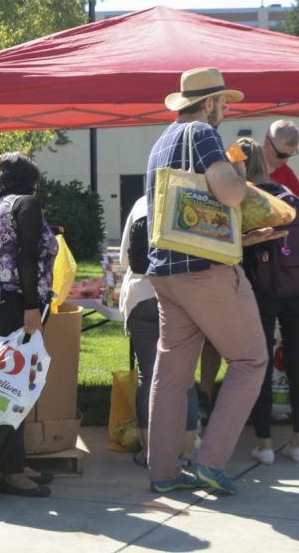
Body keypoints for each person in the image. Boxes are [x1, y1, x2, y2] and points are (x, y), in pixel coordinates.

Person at [144, 67, 277, 496]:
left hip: (165, 272)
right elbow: (231, 195)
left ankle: (163, 473)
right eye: (224, 102)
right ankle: (211, 462)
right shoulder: (202, 133)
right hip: (206, 270)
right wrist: (240, 175)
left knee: (170, 377)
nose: (227, 109)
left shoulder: (160, 142)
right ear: (207, 104)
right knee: (252, 359)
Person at [0, 152, 58, 498]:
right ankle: (11, 472)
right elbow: (26, 255)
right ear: (29, 181)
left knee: (9, 385)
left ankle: (16, 461)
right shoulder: (27, 204)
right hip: (17, 304)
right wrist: (30, 307)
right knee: (17, 387)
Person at [237, 137, 299, 464]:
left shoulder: (248, 202)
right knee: (297, 361)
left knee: (261, 364)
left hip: (265, 292)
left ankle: (265, 444)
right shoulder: (291, 198)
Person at [118, 195, 198, 469]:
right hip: (183, 295)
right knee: (184, 376)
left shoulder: (141, 202)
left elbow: (125, 258)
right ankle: (186, 452)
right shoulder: (192, 199)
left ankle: (149, 452)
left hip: (142, 295)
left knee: (148, 375)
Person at [263, 120, 299, 197]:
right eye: (281, 155)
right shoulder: (242, 161)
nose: (286, 161)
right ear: (267, 142)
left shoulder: (291, 181)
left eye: (290, 155)